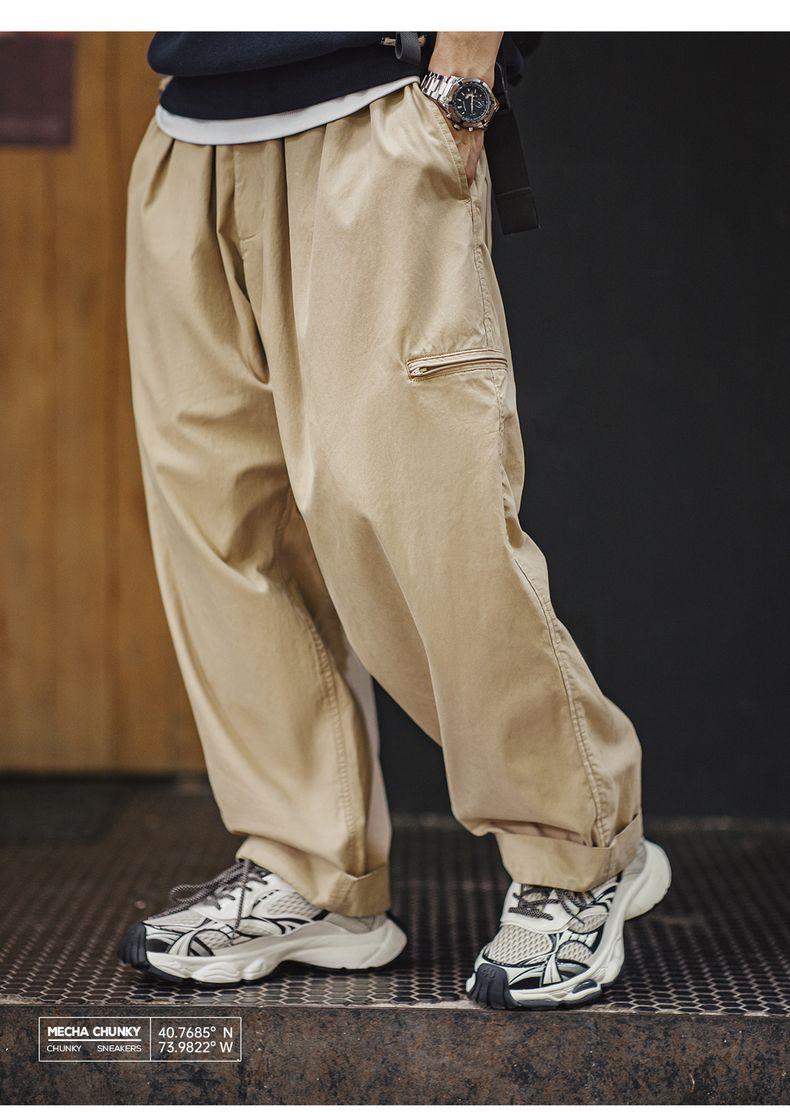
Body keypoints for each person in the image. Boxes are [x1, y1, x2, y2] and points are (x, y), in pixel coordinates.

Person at [120, 31, 670, 1009]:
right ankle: (309, 868)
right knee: (224, 533)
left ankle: (579, 849)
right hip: (190, 125)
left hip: (370, 108)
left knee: (429, 519)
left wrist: (463, 80)